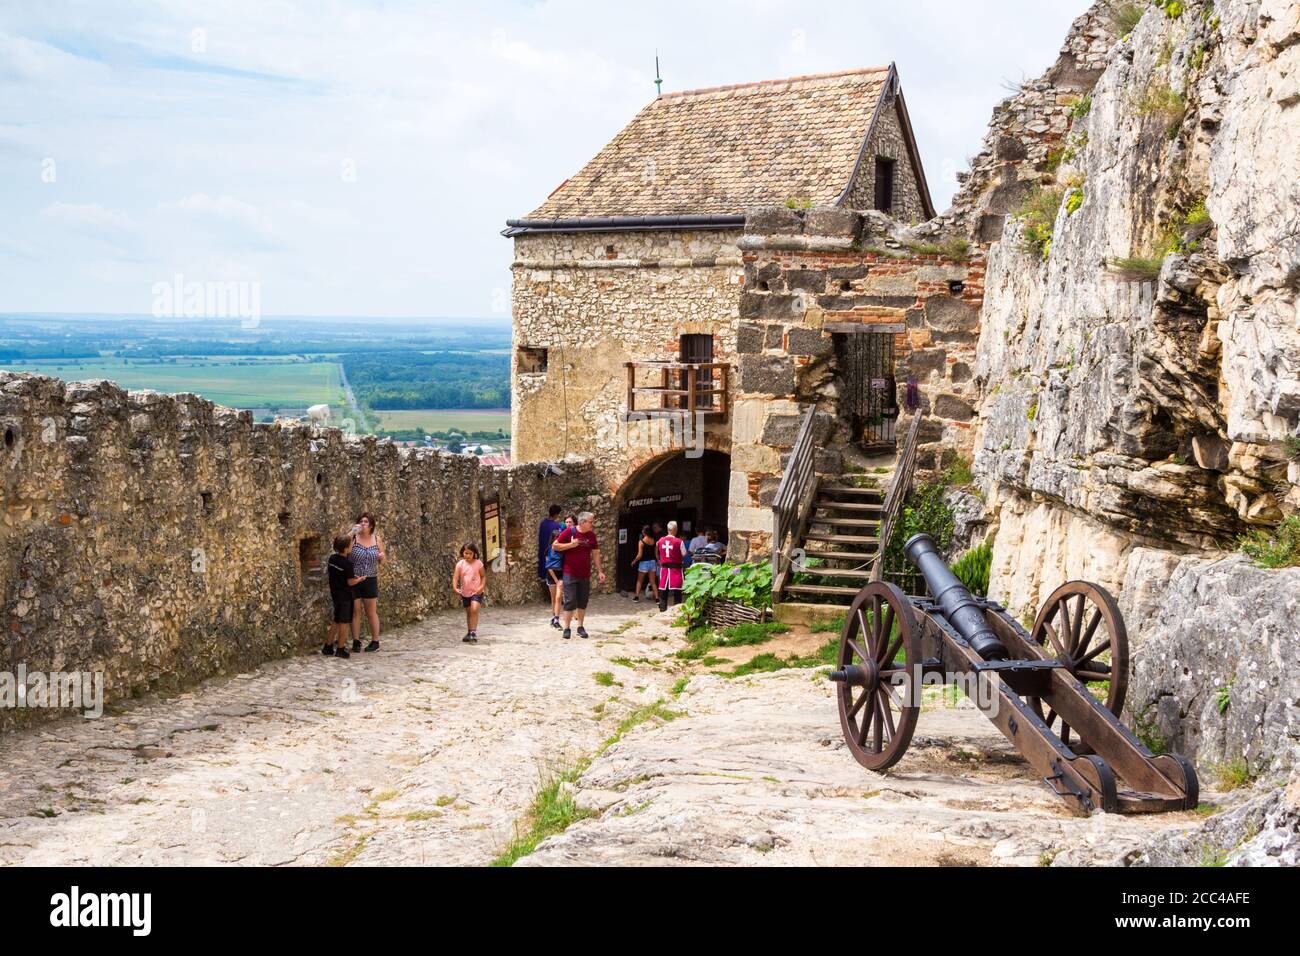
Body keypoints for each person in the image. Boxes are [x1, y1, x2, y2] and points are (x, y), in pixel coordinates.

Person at [552, 511, 605, 640]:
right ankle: (567, 628)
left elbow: (596, 553)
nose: (593, 524)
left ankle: (580, 627)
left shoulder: (592, 535)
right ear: (583, 522)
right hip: (570, 573)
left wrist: (600, 571)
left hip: (585, 574)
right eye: (591, 521)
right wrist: (571, 544)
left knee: (582, 601)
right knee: (570, 601)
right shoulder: (570, 532)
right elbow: (555, 546)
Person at [349, 511, 385, 652]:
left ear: (371, 525)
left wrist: (381, 557)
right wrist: (351, 532)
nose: (363, 524)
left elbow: (382, 560)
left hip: (370, 578)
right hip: (355, 578)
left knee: (371, 612)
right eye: (361, 521)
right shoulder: (353, 538)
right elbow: (341, 546)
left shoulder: (377, 539)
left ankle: (375, 641)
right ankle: (356, 641)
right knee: (355, 611)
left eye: (366, 522)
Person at [323, 535, 365, 658]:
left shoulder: (332, 559)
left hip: (335, 594)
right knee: (344, 622)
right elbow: (350, 582)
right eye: (351, 545)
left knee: (336, 620)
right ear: (346, 549)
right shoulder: (348, 564)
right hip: (345, 597)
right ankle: (340, 648)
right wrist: (360, 579)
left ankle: (328, 646)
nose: (352, 546)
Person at [452, 542, 486, 644]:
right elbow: (455, 577)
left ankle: (473, 633)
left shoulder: (478, 564)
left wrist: (481, 587)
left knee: (474, 609)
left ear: (474, 554)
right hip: (465, 592)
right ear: (463, 553)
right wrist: (455, 587)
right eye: (466, 553)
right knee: (469, 612)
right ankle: (469, 632)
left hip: (476, 591)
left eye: (470, 553)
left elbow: (484, 576)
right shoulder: (460, 564)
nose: (467, 555)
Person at [544, 514, 574, 628]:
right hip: (552, 576)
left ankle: (556, 618)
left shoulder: (562, 550)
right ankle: (554, 617)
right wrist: (556, 581)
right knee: (553, 598)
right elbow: (549, 567)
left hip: (560, 574)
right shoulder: (548, 551)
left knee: (558, 596)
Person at [656, 520, 685, 612]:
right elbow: (684, 553)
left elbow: (658, 551)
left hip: (664, 569)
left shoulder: (660, 541)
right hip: (676, 569)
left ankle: (662, 609)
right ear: (675, 529)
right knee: (677, 590)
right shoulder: (679, 541)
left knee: (664, 590)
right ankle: (677, 610)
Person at [537, 505, 563, 602]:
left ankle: (548, 597)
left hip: (542, 551)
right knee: (553, 574)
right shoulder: (556, 525)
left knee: (544, 573)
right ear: (556, 514)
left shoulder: (543, 523)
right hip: (552, 552)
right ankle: (554, 597)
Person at [630, 525, 658, 603]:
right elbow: (656, 554)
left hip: (644, 563)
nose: (642, 532)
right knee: (653, 582)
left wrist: (634, 561)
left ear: (645, 532)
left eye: (643, 530)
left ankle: (636, 597)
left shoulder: (641, 541)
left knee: (639, 581)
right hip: (652, 562)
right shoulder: (654, 541)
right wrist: (658, 561)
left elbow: (639, 555)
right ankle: (657, 598)